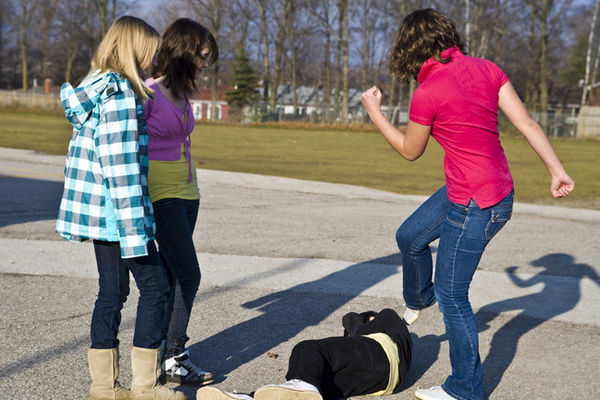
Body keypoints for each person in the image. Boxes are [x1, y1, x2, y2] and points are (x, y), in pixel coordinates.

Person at [360, 8, 574, 400]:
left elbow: (410, 151)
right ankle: (419, 298)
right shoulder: (488, 68)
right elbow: (527, 123)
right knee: (410, 237)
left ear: (409, 48)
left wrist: (375, 113)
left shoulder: (427, 92)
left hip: (477, 203)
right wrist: (557, 171)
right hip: (488, 189)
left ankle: (464, 389)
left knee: (454, 296)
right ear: (449, 37)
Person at [56, 16, 186, 400]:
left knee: (111, 294)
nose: (155, 61)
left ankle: (104, 388)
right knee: (157, 288)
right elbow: (122, 166)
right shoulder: (121, 96)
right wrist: (137, 229)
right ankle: (146, 387)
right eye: (151, 53)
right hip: (121, 215)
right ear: (133, 52)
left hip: (101, 215)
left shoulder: (95, 88)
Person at [143, 18, 219, 387]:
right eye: (202, 56)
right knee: (190, 274)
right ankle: (174, 353)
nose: (205, 64)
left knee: (175, 275)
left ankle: (158, 354)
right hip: (161, 195)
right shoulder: (147, 93)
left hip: (189, 194)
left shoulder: (183, 93)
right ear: (185, 53)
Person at [196, 309, 412, 400]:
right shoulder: (401, 345)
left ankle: (300, 384)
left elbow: (351, 318)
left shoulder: (386, 319)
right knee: (313, 386)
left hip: (380, 353)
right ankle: (250, 397)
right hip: (384, 384)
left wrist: (357, 325)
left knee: (308, 349)